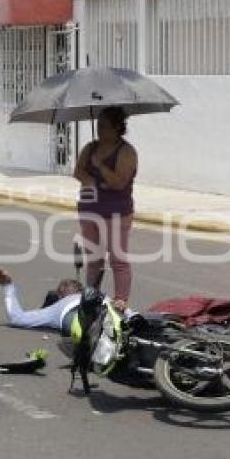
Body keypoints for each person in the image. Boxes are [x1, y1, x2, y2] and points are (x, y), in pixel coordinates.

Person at [74, 106, 137, 312]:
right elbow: (78, 172)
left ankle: (120, 301)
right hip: (89, 210)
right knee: (94, 258)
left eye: (104, 125)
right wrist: (92, 180)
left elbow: (119, 182)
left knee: (118, 258)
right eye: (98, 124)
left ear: (117, 127)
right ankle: (91, 296)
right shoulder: (90, 148)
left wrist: (100, 166)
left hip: (116, 212)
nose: (99, 129)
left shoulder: (126, 152)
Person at [0, 269, 134, 333]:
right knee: (121, 317)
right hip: (101, 311)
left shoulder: (57, 307)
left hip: (80, 316)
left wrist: (7, 286)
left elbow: (16, 318)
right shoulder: (100, 296)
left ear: (61, 295)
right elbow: (121, 307)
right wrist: (127, 311)